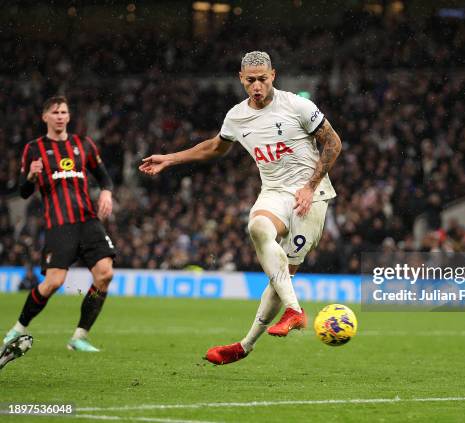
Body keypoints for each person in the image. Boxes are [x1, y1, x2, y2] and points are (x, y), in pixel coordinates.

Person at [139, 51, 342, 365]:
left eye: (263, 79)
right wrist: (171, 158)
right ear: (241, 79)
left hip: (311, 196)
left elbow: (333, 143)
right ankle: (295, 311)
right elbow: (213, 147)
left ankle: (246, 345)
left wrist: (310, 185)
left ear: (273, 75)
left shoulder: (297, 106)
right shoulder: (237, 116)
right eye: (251, 80)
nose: (257, 86)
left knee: (282, 276)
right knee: (257, 227)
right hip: (274, 192)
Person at [2, 96, 116, 363]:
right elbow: (24, 191)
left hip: (88, 220)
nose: (60, 116)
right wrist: (30, 176)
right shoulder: (34, 149)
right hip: (59, 224)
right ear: (45, 117)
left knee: (105, 274)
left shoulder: (83, 144)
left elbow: (103, 176)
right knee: (53, 282)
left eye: (64, 111)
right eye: (55, 112)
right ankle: (17, 329)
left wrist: (107, 193)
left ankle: (79, 337)